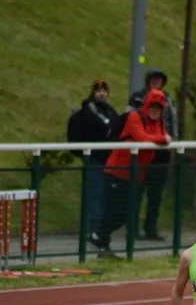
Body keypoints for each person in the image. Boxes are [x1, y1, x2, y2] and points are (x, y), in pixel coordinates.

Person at [89, 89, 171, 254]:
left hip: (136, 174)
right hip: (118, 171)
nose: (155, 110)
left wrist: (163, 139)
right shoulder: (135, 117)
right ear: (147, 105)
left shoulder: (160, 122)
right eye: (153, 106)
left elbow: (161, 138)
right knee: (117, 211)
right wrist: (163, 139)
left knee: (127, 213)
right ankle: (100, 238)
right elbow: (142, 137)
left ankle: (100, 240)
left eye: (159, 107)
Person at [128, 67, 177, 242]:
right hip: (142, 153)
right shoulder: (137, 98)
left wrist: (174, 143)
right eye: (154, 79)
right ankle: (132, 229)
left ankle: (151, 228)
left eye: (160, 80)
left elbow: (173, 121)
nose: (157, 82)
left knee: (155, 194)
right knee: (137, 191)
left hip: (161, 153)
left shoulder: (168, 99)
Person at [66, 79, 120, 234]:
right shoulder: (90, 108)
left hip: (106, 159)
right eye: (98, 91)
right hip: (96, 158)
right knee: (96, 193)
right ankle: (95, 227)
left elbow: (116, 124)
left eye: (104, 91)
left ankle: (100, 227)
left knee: (103, 193)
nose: (102, 94)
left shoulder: (108, 108)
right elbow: (107, 125)